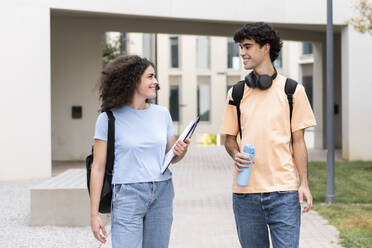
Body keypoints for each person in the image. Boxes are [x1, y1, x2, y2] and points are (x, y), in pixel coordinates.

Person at [221, 22, 316, 248]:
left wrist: (304, 183)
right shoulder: (236, 93)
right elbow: (229, 139)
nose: (242, 52)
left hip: (283, 193)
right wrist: (235, 154)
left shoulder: (292, 91)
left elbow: (299, 142)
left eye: (247, 46)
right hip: (245, 194)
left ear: (266, 48)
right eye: (240, 47)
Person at [89, 55, 190, 248]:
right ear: (133, 80)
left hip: (162, 191)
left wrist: (180, 150)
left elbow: (172, 157)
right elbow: (98, 167)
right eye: (150, 77)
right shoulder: (108, 119)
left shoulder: (162, 114)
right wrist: (94, 214)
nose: (156, 82)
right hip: (128, 193)